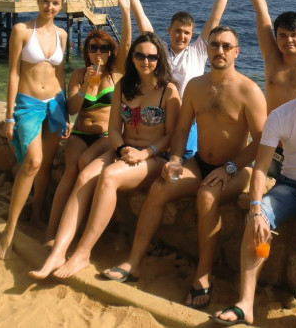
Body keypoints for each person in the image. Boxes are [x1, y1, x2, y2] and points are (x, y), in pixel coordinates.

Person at [102, 25, 267, 310]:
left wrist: (230, 168)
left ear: (237, 52)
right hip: (199, 162)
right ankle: (133, 261)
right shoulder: (195, 87)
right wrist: (176, 159)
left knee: (206, 195)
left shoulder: (248, 91)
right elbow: (180, 129)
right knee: (160, 188)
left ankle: (203, 275)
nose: (220, 50)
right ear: (208, 49)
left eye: (226, 46)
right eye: (214, 45)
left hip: (236, 168)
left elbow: (262, 142)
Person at [29, 32, 180, 279]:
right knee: (84, 176)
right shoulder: (124, 86)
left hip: (152, 157)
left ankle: (82, 253)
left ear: (159, 59)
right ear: (132, 58)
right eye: (140, 55)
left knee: (109, 176)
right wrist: (121, 149)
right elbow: (113, 129)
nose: (146, 61)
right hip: (122, 149)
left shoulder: (169, 91)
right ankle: (58, 252)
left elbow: (172, 136)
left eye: (152, 57)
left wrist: (144, 153)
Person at [212, 60, 296, 326]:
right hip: (289, 185)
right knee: (256, 222)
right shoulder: (280, 116)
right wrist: (255, 208)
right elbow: (261, 167)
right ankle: (245, 304)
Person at [120, 0, 237, 159]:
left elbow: (215, 17)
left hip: (188, 119)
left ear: (192, 35)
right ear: (169, 31)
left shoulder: (198, 51)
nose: (181, 36)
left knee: (186, 159)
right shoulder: (159, 51)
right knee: (160, 159)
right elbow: (142, 20)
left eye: (186, 32)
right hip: (159, 118)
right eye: (177, 31)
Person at [43, 0, 132, 244]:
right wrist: (85, 86)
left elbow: (127, 43)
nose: (98, 52)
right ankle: (51, 231)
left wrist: (125, 10)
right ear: (87, 51)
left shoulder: (116, 74)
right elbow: (72, 109)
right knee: (71, 170)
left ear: (110, 51)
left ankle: (77, 229)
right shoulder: (78, 75)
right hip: (81, 133)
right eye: (93, 48)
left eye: (104, 48)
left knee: (84, 165)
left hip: (105, 136)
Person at [0, 0, 71, 260]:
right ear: (38, 1)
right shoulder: (22, 30)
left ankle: (37, 215)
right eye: (45, 1)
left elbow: (60, 73)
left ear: (62, 5)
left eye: (55, 3)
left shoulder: (62, 35)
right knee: (33, 163)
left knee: (47, 164)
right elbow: (14, 73)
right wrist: (9, 116)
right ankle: (9, 230)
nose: (49, 7)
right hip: (28, 105)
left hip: (55, 103)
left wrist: (65, 113)